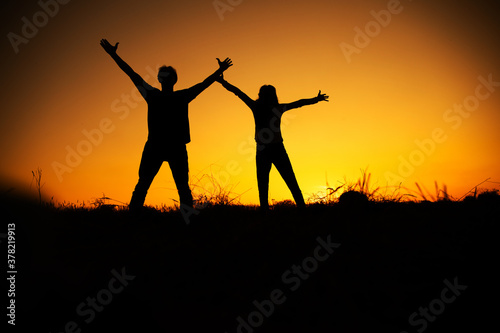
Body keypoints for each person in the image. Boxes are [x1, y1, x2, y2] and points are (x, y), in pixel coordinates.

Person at [100, 39, 232, 212]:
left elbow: (133, 74)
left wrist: (219, 70)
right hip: (161, 146)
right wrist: (113, 55)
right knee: (157, 185)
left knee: (169, 186)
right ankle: (140, 219)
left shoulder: (161, 95)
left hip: (167, 147)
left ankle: (138, 219)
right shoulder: (168, 96)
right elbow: (132, 74)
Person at [216, 75, 329, 210]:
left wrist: (315, 100)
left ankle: (287, 210)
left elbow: (239, 93)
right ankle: (297, 209)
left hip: (271, 149)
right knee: (281, 181)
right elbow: (298, 103)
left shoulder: (261, 107)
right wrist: (315, 100)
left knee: (274, 182)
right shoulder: (269, 107)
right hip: (270, 149)